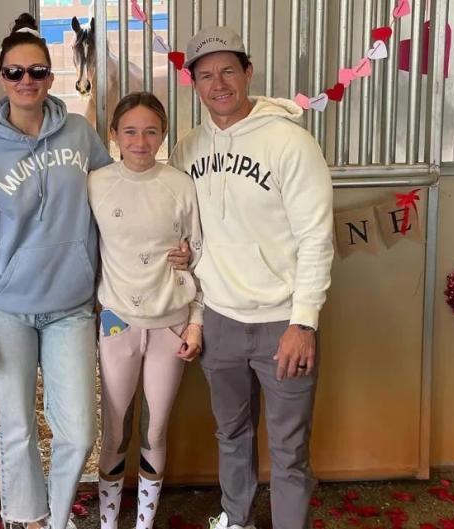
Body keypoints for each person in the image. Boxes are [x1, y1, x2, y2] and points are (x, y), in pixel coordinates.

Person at [0, 13, 113, 529]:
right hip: (4, 311)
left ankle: (59, 519)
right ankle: (29, 519)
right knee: (16, 427)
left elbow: (115, 204)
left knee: (80, 432)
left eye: (36, 72)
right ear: (1, 78)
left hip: (70, 307)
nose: (26, 82)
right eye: (15, 73)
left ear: (49, 77)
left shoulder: (80, 134)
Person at [168, 26, 334, 529]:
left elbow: (316, 238)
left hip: (282, 323)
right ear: (192, 84)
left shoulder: (292, 142)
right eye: (205, 75)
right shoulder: (186, 149)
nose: (218, 84)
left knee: (288, 448)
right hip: (218, 320)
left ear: (248, 73)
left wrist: (303, 322)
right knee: (232, 433)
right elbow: (185, 233)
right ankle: (235, 518)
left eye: (227, 71)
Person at [88, 92, 203, 529]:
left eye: (151, 131)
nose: (140, 141)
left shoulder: (180, 184)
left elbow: (201, 254)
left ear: (163, 134)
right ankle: (107, 521)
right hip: (117, 322)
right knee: (115, 429)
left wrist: (196, 322)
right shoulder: (96, 183)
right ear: (114, 134)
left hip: (171, 324)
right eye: (130, 131)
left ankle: (144, 523)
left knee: (155, 429)